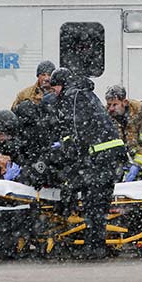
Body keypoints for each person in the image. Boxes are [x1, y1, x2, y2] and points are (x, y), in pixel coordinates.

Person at [48, 68, 125, 259]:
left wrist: (65, 151)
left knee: (94, 205)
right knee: (98, 205)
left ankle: (95, 249)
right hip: (110, 157)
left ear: (61, 84)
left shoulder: (71, 97)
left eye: (54, 87)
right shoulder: (86, 94)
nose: (54, 92)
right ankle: (95, 247)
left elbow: (75, 131)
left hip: (100, 160)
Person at [104, 85, 142, 183]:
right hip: (121, 167)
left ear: (125, 102)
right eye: (109, 104)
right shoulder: (106, 115)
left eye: (115, 104)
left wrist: (137, 165)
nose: (110, 108)